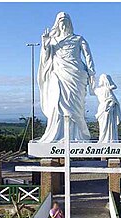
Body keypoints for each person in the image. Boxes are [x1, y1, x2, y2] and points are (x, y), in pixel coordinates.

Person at [38, 12, 96, 142]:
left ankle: (77, 136)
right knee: (57, 103)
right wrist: (45, 45)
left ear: (70, 23)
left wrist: (91, 73)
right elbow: (45, 60)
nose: (63, 24)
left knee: (76, 106)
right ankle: (57, 134)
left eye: (65, 21)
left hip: (76, 75)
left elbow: (89, 57)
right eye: (60, 21)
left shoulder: (78, 39)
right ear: (57, 24)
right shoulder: (52, 40)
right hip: (58, 75)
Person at [95, 74, 121, 143]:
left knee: (108, 125)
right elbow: (114, 87)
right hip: (103, 108)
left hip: (107, 109)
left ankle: (108, 140)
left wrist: (110, 106)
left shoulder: (105, 89)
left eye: (100, 79)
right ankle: (103, 139)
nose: (99, 81)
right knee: (102, 126)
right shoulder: (101, 90)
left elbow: (113, 99)